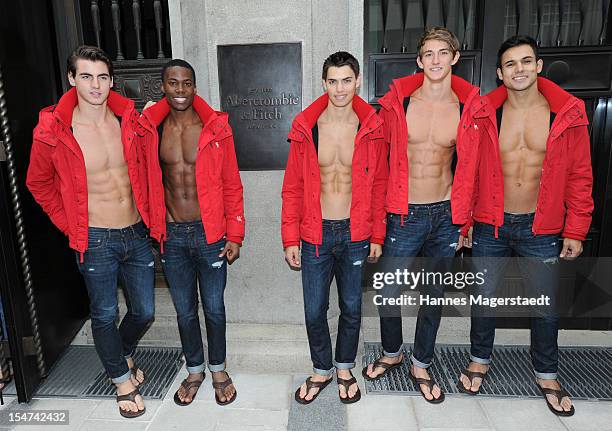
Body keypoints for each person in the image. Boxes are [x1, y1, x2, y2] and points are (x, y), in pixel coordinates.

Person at [452, 35, 593, 416]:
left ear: (539, 66)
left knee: (545, 306)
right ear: (500, 73)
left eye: (526, 61)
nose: (519, 69)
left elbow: (580, 175)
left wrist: (576, 228)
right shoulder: (484, 114)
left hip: (541, 226)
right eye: (511, 64)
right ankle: (480, 359)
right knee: (484, 300)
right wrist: (463, 221)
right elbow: (467, 171)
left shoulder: (568, 112)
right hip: (489, 224)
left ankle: (547, 372)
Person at [27, 45, 153, 418]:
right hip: (95, 237)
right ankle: (120, 379)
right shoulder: (54, 128)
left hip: (135, 232)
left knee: (144, 311)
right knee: (103, 314)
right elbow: (38, 183)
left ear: (112, 80)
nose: (95, 85)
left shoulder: (128, 118)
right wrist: (70, 224)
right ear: (71, 78)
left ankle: (122, 351)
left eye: (102, 77)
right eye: (86, 76)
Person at [362, 27, 480, 404]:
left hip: (445, 214)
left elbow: (474, 168)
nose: (435, 60)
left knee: (433, 295)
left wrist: (466, 220)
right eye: (428, 54)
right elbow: (377, 164)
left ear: (454, 58)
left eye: (442, 53)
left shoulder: (465, 109)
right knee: (388, 290)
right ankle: (393, 350)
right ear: (419, 60)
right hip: (405, 212)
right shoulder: (400, 104)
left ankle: (421, 361)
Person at [282, 51, 388, 404]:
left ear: (357, 81)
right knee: (314, 309)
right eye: (333, 81)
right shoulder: (307, 128)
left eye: (347, 80)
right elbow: (293, 186)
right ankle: (321, 369)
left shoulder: (371, 126)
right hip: (315, 234)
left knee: (352, 307)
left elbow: (380, 185)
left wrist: (377, 234)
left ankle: (344, 367)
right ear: (324, 82)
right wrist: (289, 237)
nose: (340, 88)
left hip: (356, 233)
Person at [138, 59, 244, 406]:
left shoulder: (214, 127)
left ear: (194, 87)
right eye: (173, 83)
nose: (180, 90)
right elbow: (140, 175)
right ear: (163, 86)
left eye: (186, 83)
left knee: (214, 307)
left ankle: (218, 370)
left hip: (210, 233)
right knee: (185, 310)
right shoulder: (152, 130)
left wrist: (235, 233)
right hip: (172, 234)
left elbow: (232, 183)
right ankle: (195, 370)